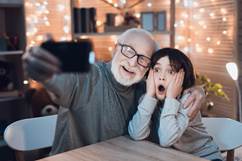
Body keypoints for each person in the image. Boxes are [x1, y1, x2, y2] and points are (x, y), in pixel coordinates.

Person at [22, 28, 205, 155]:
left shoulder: (146, 90)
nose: (133, 62)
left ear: (148, 68)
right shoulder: (87, 75)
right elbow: (61, 81)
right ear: (115, 48)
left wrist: (195, 89)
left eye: (143, 59)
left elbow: (173, 89)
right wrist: (43, 71)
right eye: (128, 51)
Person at [128, 48, 223, 161]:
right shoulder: (147, 99)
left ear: (182, 78)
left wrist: (171, 98)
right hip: (173, 156)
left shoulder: (188, 100)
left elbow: (166, 140)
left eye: (171, 71)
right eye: (157, 69)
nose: (161, 77)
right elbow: (136, 134)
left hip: (204, 156)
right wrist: (149, 96)